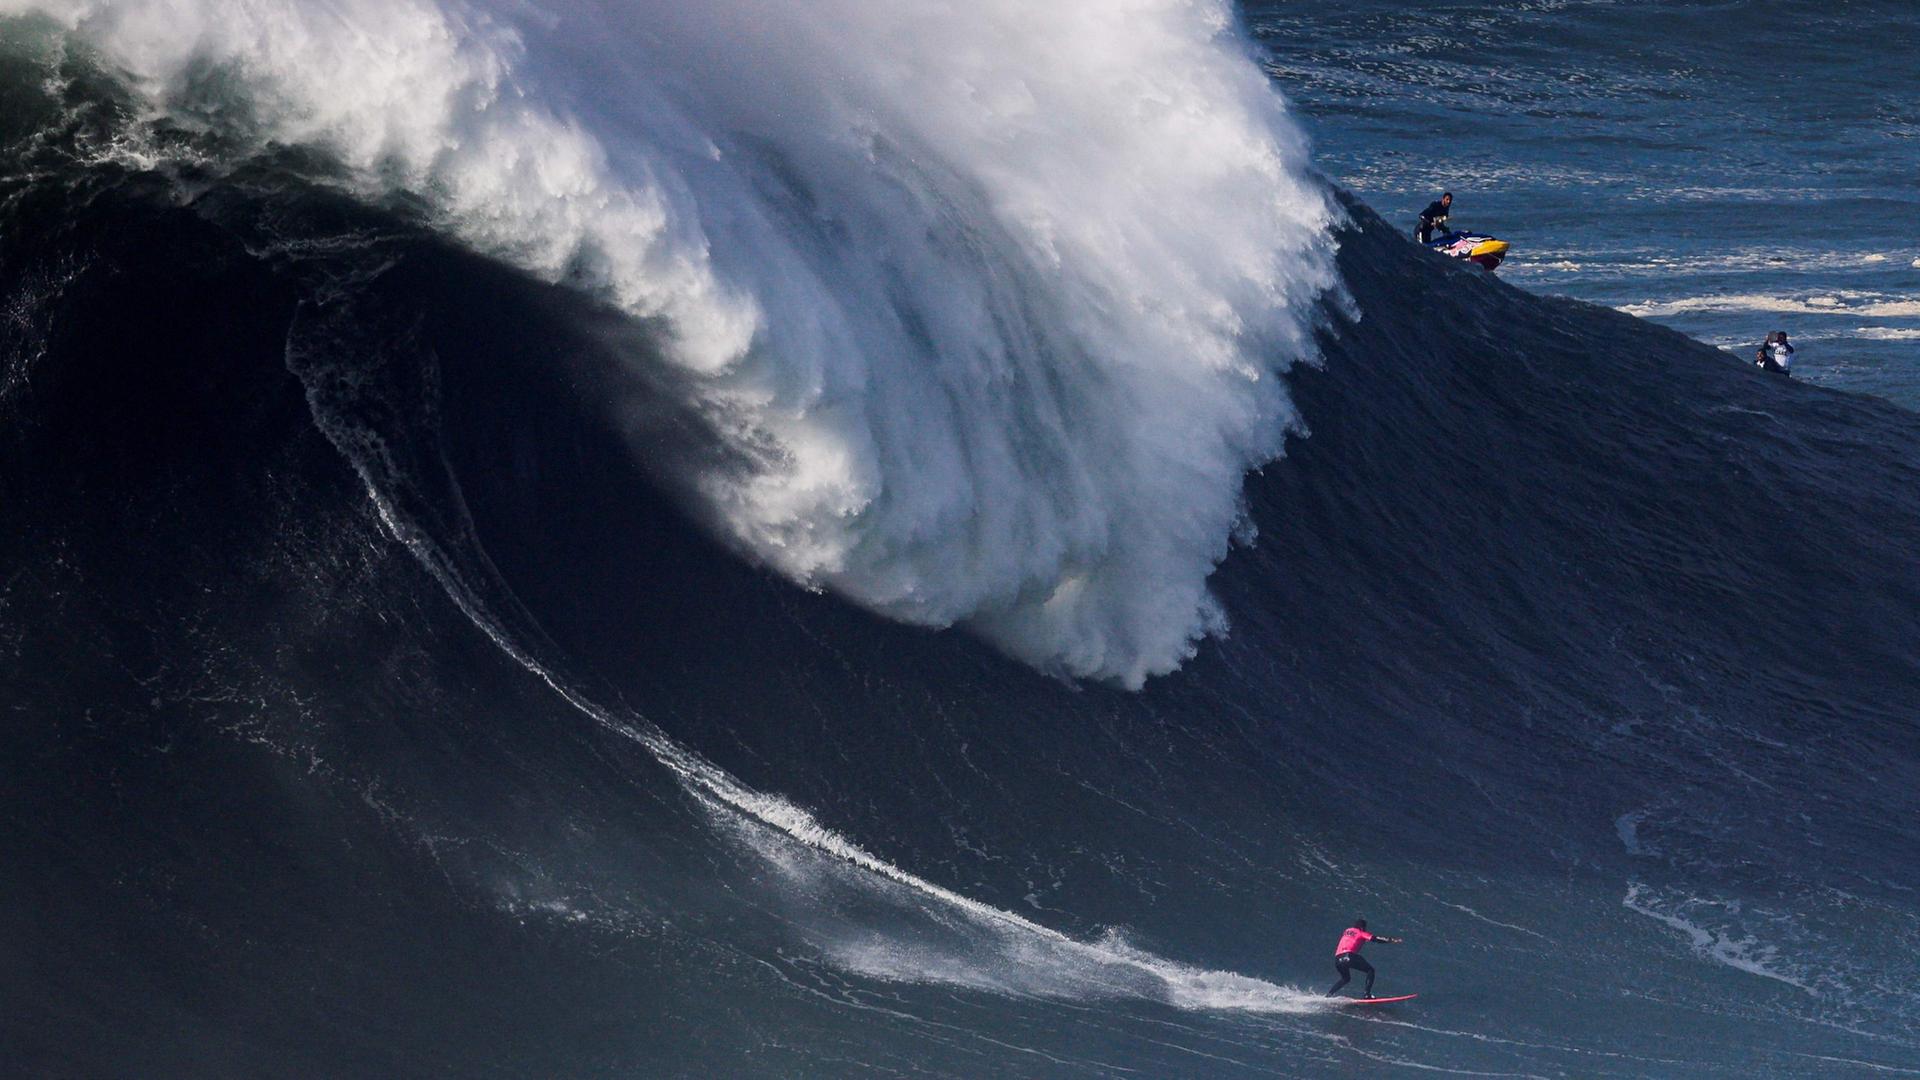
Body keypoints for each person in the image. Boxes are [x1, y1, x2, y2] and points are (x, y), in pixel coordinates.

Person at [1326, 917, 1402, 998]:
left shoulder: (1347, 931)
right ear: (1362, 927)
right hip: (1348, 956)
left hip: (1338, 959)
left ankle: (1329, 995)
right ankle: (1367, 994)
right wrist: (1392, 940)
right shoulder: (1360, 932)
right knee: (1370, 970)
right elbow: (1376, 939)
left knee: (1345, 979)